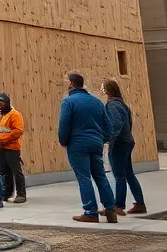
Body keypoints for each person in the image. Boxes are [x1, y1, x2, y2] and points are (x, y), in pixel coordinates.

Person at [58, 71, 117, 223]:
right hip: (96, 143)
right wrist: (101, 139)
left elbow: (64, 124)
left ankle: (90, 212)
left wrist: (63, 141)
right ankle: (111, 210)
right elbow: (109, 127)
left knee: (84, 177)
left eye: (67, 82)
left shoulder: (69, 102)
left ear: (71, 84)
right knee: (100, 176)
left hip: (77, 143)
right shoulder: (96, 102)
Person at [102, 78, 147, 216]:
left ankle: (118, 206)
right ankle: (140, 203)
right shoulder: (122, 104)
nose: (101, 90)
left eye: (103, 87)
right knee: (128, 174)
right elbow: (128, 123)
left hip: (119, 143)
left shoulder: (112, 105)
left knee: (119, 175)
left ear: (108, 90)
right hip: (127, 141)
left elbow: (116, 125)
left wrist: (108, 138)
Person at [0, 92, 26, 204]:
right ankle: (7, 193)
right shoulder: (1, 115)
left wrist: (2, 140)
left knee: (16, 171)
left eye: (1, 102)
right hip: (0, 148)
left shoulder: (14, 114)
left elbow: (18, 131)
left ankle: (21, 194)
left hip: (11, 148)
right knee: (4, 172)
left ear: (7, 103)